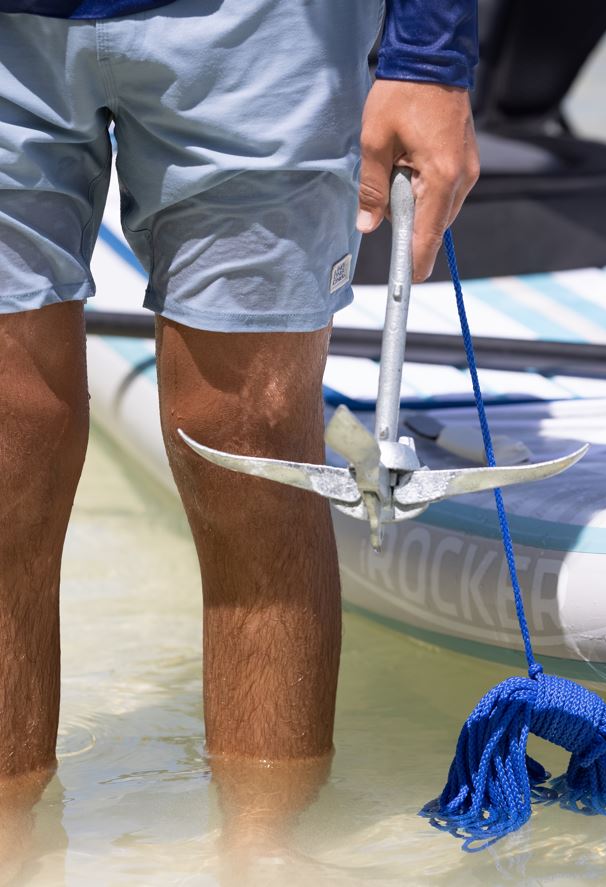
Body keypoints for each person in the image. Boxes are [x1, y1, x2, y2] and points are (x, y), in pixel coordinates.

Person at [0, 0, 480, 781]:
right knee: (6, 451)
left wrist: (430, 57)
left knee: (251, 447)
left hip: (265, 28)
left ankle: (270, 854)